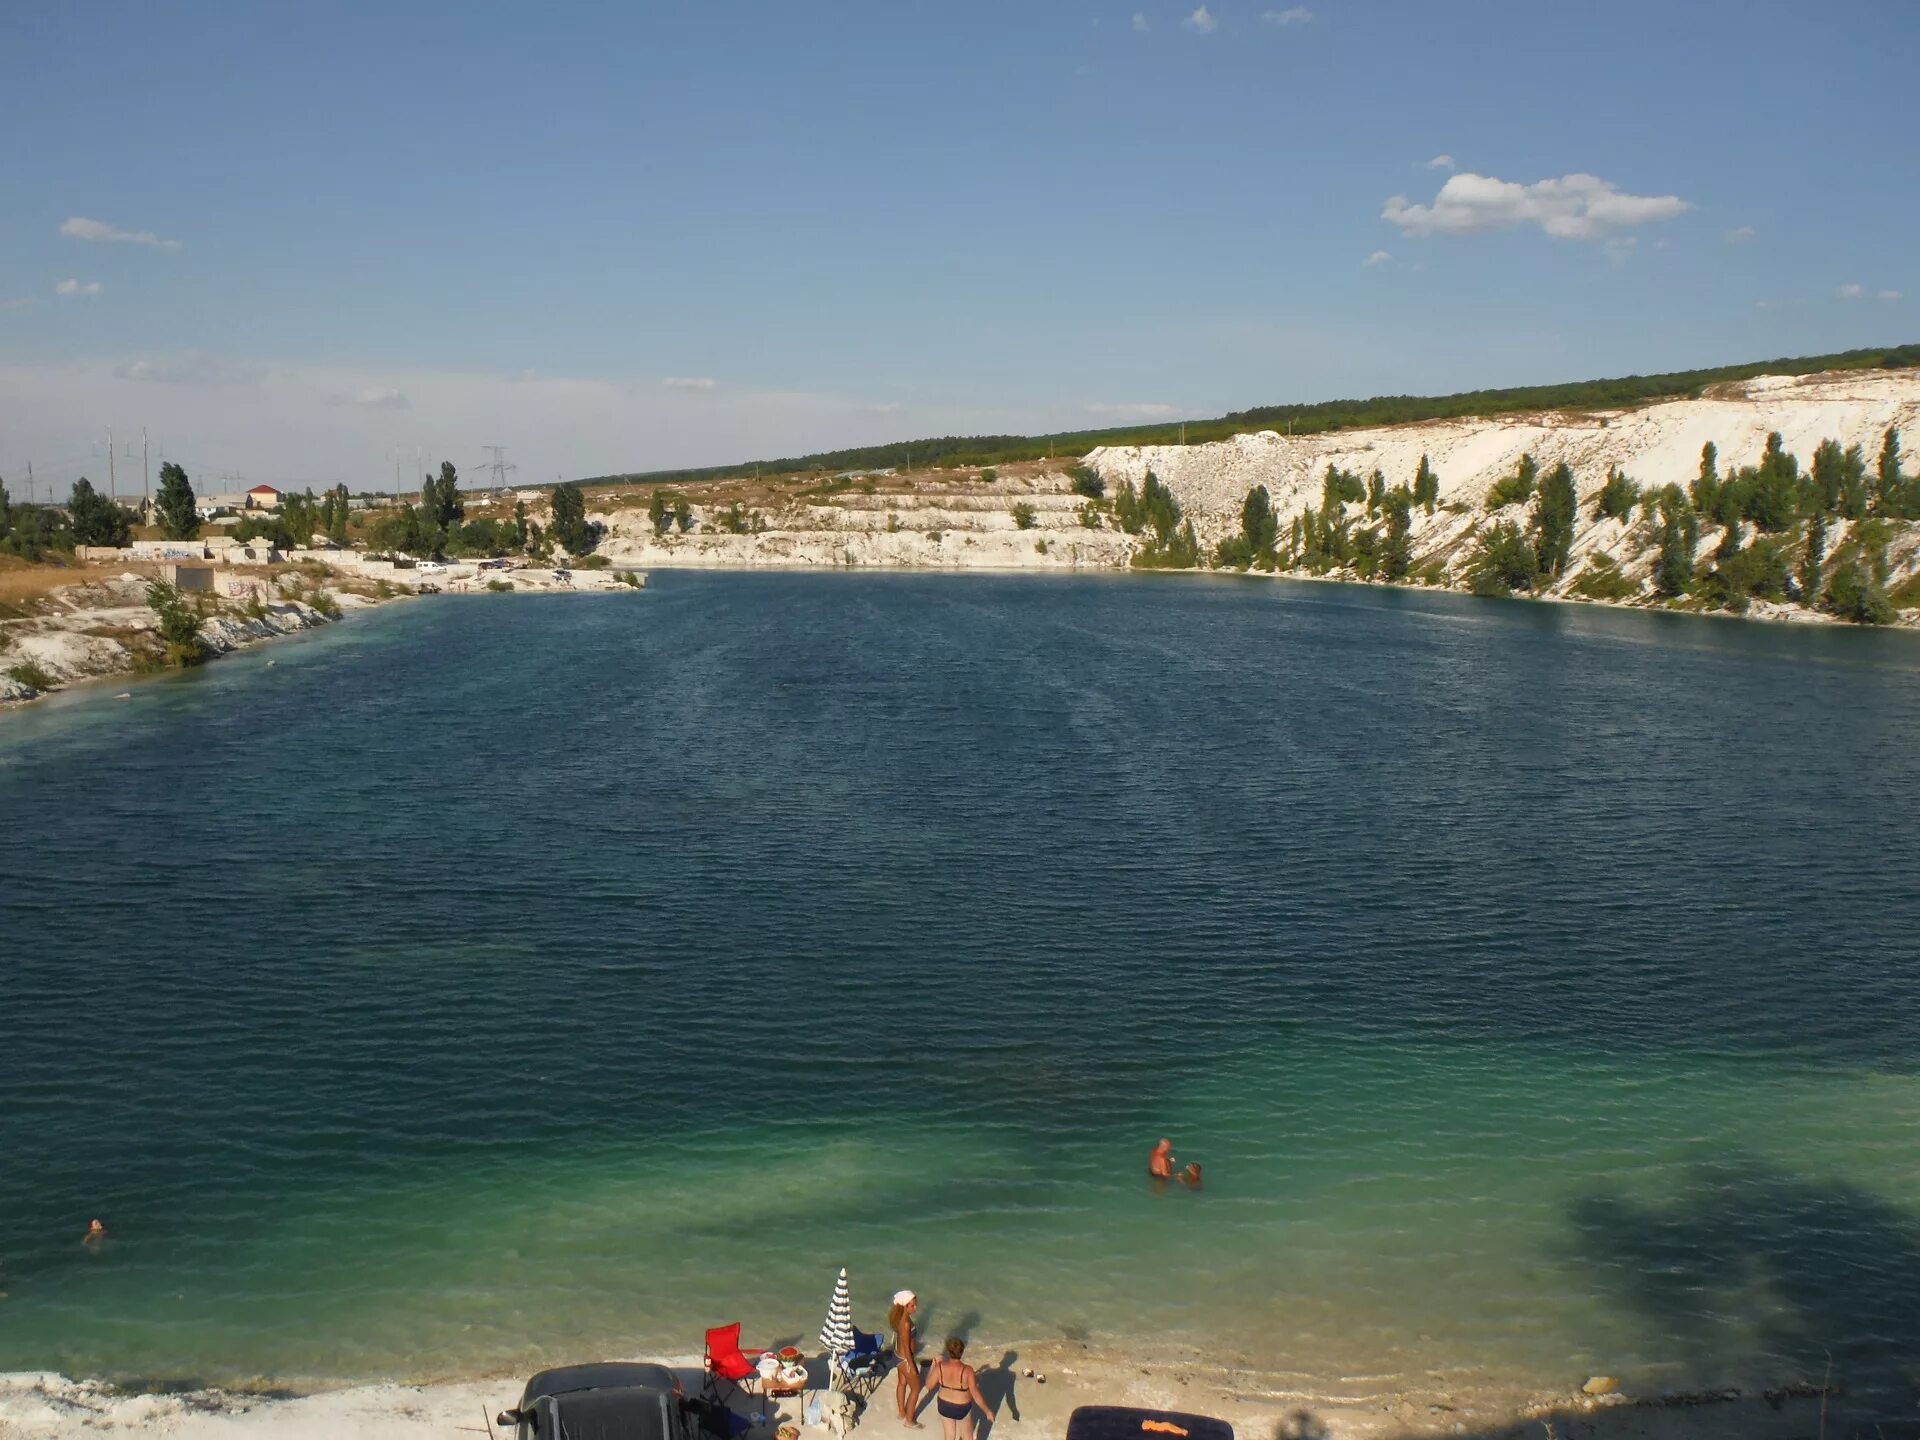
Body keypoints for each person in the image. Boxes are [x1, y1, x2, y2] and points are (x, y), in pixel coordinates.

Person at [924, 1337, 995, 1440]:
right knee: (967, 1436)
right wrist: (987, 1411)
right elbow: (975, 1393)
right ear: (962, 1351)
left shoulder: (939, 1367)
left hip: (944, 1405)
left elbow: (928, 1386)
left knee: (949, 1436)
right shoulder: (968, 1370)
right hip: (962, 1407)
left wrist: (933, 1365)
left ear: (948, 1351)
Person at [889, 1289, 922, 1428]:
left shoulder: (900, 1319)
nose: (915, 1307)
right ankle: (909, 1420)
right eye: (912, 1305)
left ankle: (902, 1412)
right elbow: (906, 1346)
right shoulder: (906, 1323)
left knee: (902, 1384)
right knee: (916, 1388)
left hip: (898, 1356)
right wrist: (912, 1365)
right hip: (905, 1359)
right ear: (905, 1306)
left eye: (915, 1304)